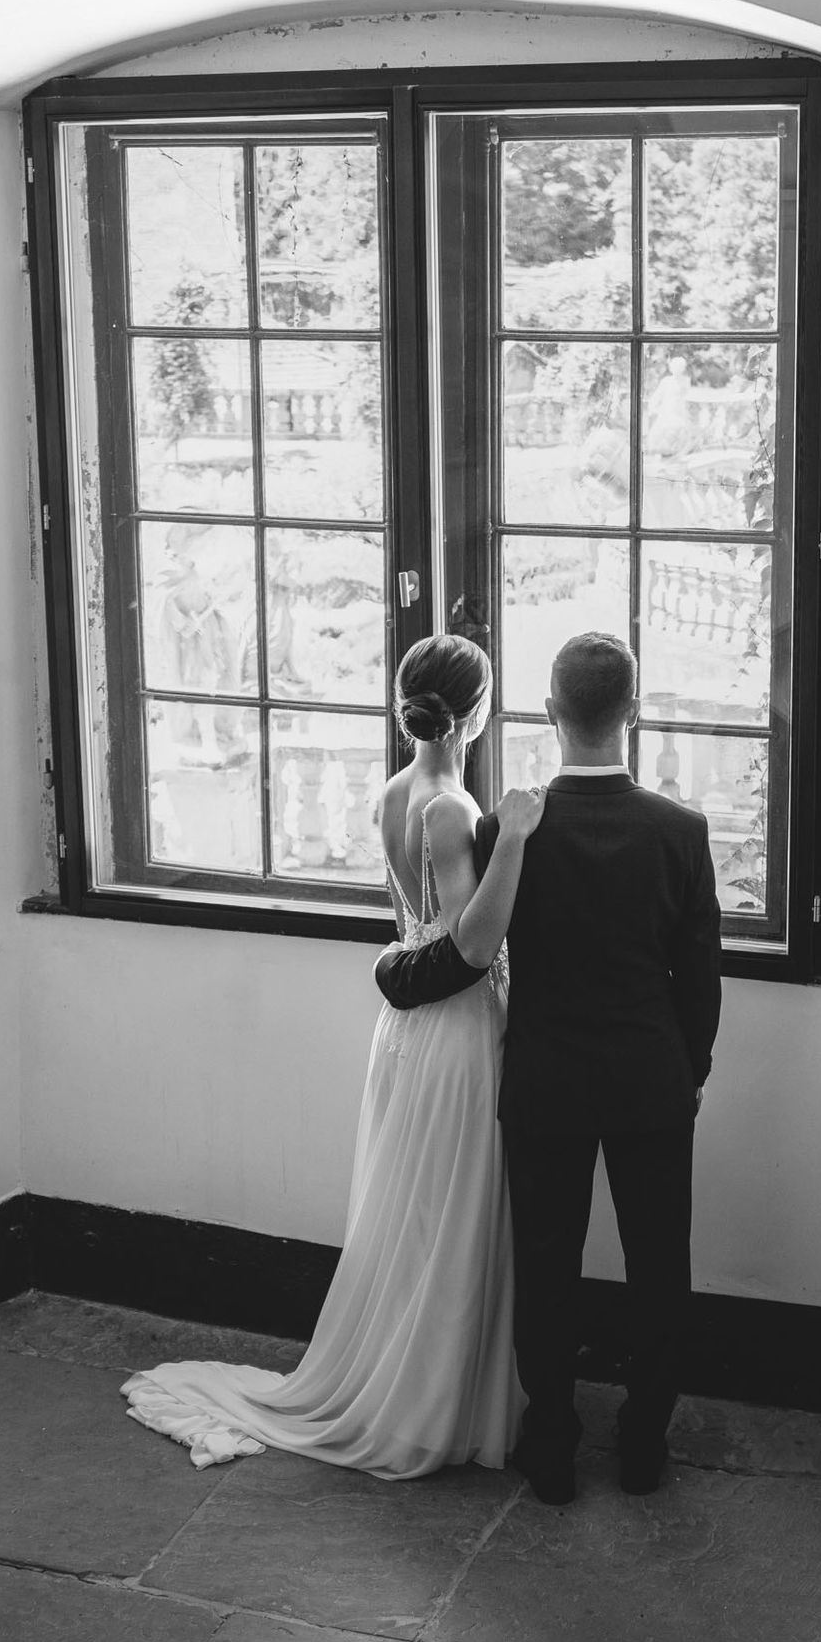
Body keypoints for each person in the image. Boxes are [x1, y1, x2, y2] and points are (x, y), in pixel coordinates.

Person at [119, 635, 543, 1476]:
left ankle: (422, 1387)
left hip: (406, 1033)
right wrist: (520, 840)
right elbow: (468, 941)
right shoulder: (450, 808)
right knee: (450, 1216)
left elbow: (417, 931)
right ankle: (429, 1407)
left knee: (418, 1217)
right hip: (455, 1031)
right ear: (477, 710)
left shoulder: (395, 789)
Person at [378, 631, 722, 1505]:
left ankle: (554, 1447)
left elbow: (479, 949)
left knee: (544, 1266)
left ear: (549, 714)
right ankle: (644, 1445)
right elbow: (701, 983)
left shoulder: (506, 830)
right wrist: (686, 1073)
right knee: (659, 1270)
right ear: (633, 715)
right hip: (651, 1080)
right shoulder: (682, 832)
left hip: (544, 1080)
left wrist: (394, 971)